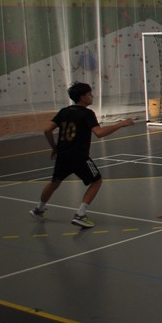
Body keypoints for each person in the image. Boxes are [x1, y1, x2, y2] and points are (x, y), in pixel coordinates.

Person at [30, 82, 134, 229]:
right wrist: (121, 124)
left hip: (63, 155)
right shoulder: (87, 114)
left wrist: (54, 148)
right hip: (79, 156)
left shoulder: (64, 111)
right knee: (96, 181)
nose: (92, 96)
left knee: (55, 182)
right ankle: (80, 215)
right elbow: (99, 133)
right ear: (82, 97)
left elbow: (47, 130)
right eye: (90, 94)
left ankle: (39, 209)